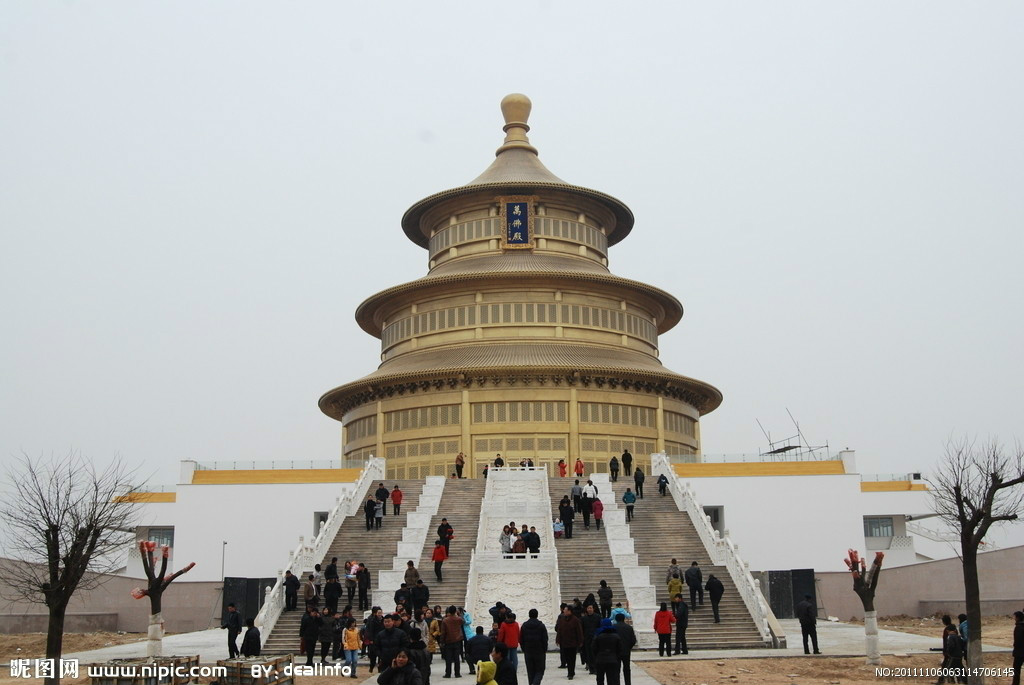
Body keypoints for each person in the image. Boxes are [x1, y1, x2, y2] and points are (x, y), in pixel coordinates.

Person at [519, 608, 548, 685]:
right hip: (539, 651)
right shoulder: (541, 626)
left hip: (528, 651)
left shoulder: (524, 626)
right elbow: (545, 639)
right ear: (537, 615)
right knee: (540, 670)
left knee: (530, 671)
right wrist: (544, 649)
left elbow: (521, 639)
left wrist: (524, 649)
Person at [555, 604, 583, 680]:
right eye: (564, 610)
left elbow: (579, 631)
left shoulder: (575, 620)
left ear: (570, 611)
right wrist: (558, 639)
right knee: (567, 658)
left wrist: (580, 641)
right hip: (564, 642)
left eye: (566, 610)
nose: (564, 611)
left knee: (572, 658)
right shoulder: (562, 619)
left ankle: (571, 673)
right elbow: (559, 630)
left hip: (573, 643)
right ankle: (570, 671)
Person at [591, 618, 621, 685]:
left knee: (600, 679)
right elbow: (619, 649)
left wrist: (597, 656)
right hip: (612, 659)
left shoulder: (598, 635)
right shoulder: (616, 636)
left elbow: (593, 648)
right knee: (611, 679)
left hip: (600, 659)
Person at [611, 614, 635, 685]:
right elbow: (633, 640)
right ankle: (628, 683)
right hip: (626, 651)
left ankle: (617, 683)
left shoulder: (613, 627)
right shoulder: (629, 627)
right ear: (624, 619)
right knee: (627, 668)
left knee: (616, 669)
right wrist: (628, 647)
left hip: (616, 651)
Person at [441, 605, 464, 678]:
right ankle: (457, 673)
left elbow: (443, 632)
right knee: (457, 658)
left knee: (448, 658)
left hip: (448, 640)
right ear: (455, 611)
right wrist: (458, 614)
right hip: (457, 640)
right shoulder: (458, 619)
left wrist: (442, 641)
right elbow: (463, 621)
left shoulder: (445, 620)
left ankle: (448, 673)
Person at [581, 604, 601, 672]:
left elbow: (599, 627)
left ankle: (596, 668)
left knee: (595, 653)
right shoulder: (584, 618)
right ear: (586, 609)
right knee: (588, 653)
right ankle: (591, 668)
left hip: (595, 637)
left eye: (591, 608)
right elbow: (582, 628)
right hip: (587, 638)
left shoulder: (598, 617)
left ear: (593, 609)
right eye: (588, 608)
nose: (589, 609)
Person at [1011, 610, 1023, 685]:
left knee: (1016, 670)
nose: (1014, 618)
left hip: (1019, 653)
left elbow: (1018, 640)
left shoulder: (1019, 627)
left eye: (1015, 617)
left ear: (1018, 618)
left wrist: (1015, 646)